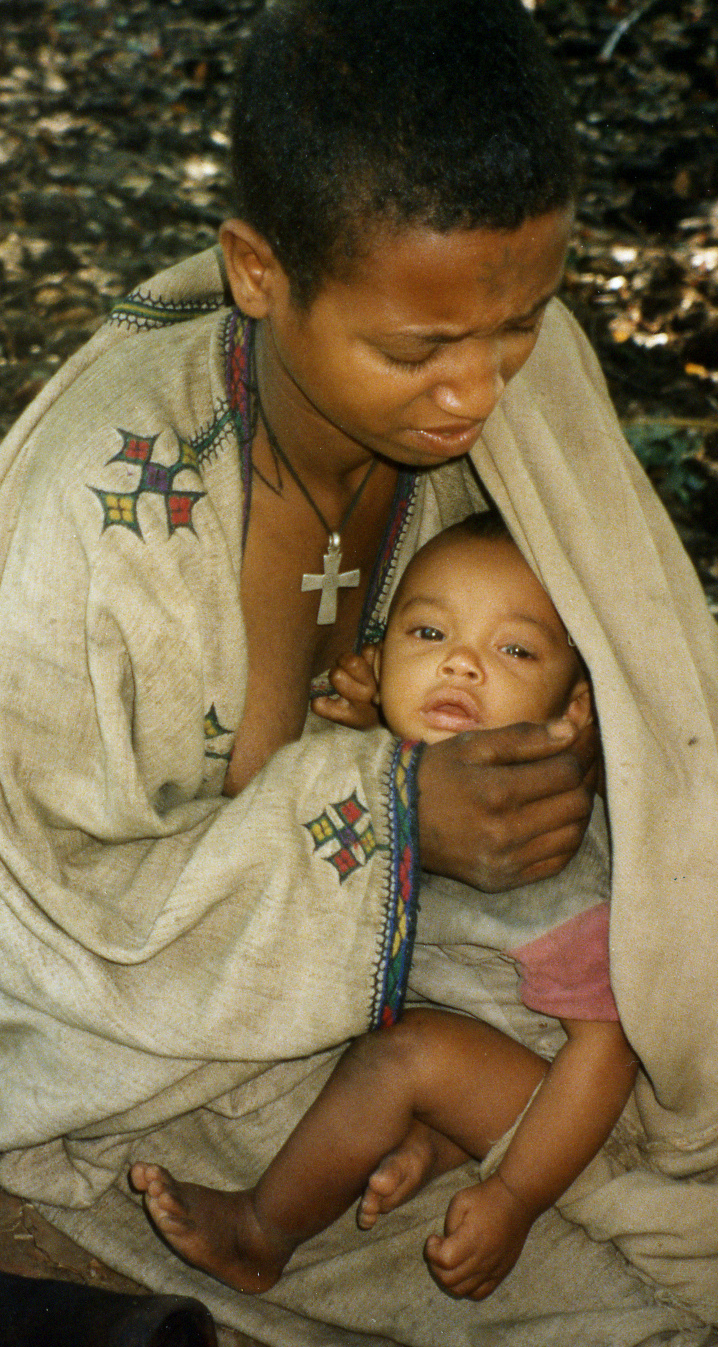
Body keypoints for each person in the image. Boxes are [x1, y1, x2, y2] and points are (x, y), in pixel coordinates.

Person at [0, 0, 718, 1347]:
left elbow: (672, 738)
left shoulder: (511, 364)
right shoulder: (103, 508)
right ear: (261, 272)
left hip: (465, 976)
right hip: (129, 1021)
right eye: (419, 350)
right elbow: (55, 911)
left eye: (520, 325)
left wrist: (537, 800)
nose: (478, 392)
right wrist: (395, 823)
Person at [131, 516, 640, 1301]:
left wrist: (516, 1197)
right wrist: (378, 718)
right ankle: (431, 1142)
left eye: (514, 650)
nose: (461, 662)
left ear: (575, 708)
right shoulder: (385, 768)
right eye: (429, 632)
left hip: (557, 1094)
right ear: (380, 654)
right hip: (484, 1042)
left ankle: (262, 1234)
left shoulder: (549, 857)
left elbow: (606, 1051)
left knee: (402, 1057)